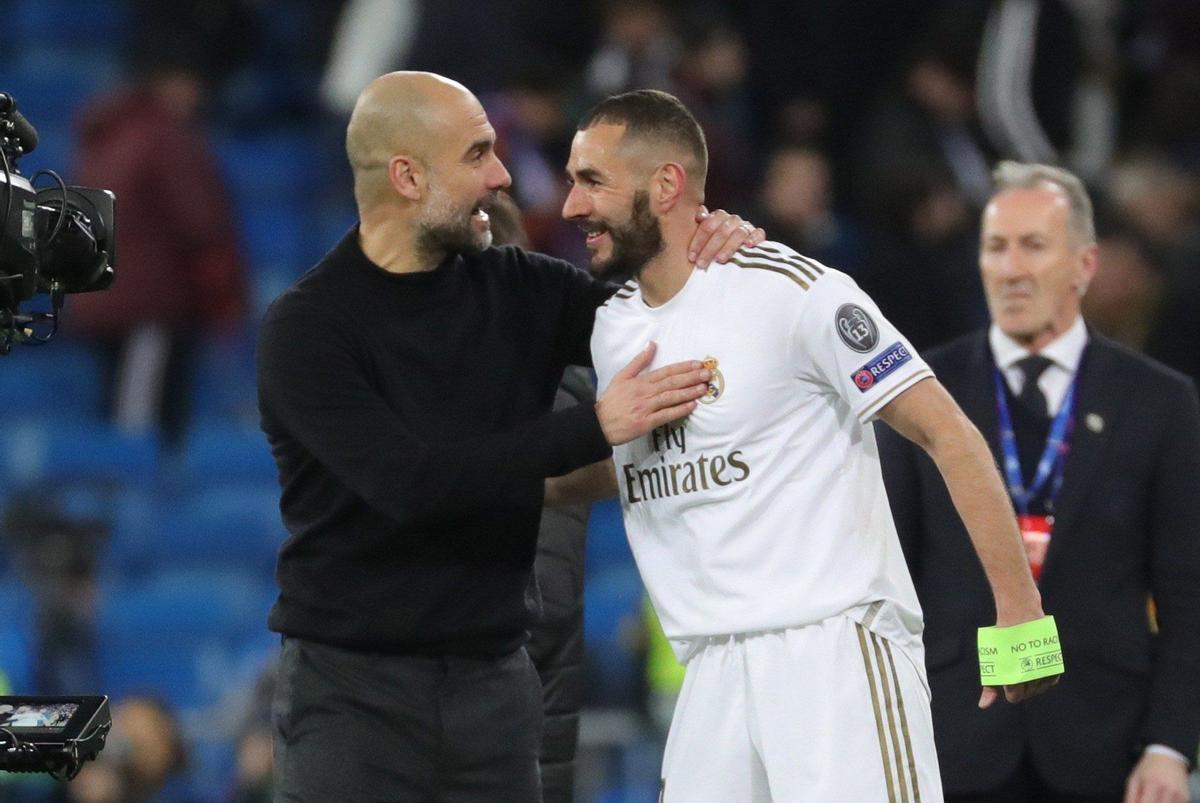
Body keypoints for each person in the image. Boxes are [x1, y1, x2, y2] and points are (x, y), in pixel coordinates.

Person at [254, 71, 761, 802]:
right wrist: (594, 426)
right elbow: (410, 484)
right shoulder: (307, 328)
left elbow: (671, 325)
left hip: (494, 689)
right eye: (478, 154)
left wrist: (717, 251)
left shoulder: (522, 289)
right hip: (350, 703)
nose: (501, 176)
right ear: (406, 175)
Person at [566, 89, 1054, 802]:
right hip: (708, 675)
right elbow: (645, 464)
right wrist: (528, 479)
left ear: (666, 184)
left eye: (593, 181)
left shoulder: (791, 289)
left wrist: (1021, 617)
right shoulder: (611, 329)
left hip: (835, 655)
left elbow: (948, 433)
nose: (573, 205)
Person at [878, 161, 1200, 802]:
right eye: (996, 247)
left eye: (1034, 246)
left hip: (1109, 750)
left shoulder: (1159, 403)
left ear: (1085, 264)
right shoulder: (918, 395)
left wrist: (1170, 748)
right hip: (954, 744)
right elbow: (891, 583)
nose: (1012, 268)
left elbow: (1187, 594)